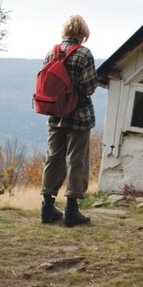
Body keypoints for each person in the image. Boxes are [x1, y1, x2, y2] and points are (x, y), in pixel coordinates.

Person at [40, 14, 98, 227]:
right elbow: (90, 86)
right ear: (82, 34)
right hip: (79, 115)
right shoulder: (84, 54)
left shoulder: (51, 52)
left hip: (55, 114)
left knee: (53, 157)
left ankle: (47, 206)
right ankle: (72, 210)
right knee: (76, 159)